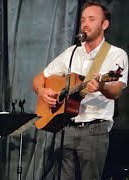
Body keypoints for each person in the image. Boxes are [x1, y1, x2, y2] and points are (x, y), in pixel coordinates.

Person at [32, 2, 128, 180]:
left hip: (94, 130)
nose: (85, 23)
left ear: (104, 25)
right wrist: (42, 91)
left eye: (92, 19)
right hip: (65, 128)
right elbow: (39, 79)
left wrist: (102, 86)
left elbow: (116, 91)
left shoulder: (116, 54)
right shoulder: (72, 52)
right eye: (83, 19)